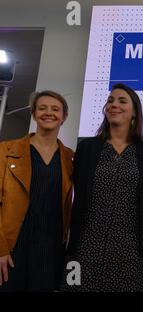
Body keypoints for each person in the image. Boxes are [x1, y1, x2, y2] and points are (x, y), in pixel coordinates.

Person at [61, 84, 143, 292]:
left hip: (131, 249)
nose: (114, 105)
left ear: (134, 113)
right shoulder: (87, 148)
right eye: (111, 100)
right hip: (84, 246)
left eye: (122, 101)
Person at [0, 91, 73, 291]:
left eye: (55, 109)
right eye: (42, 108)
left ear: (64, 117)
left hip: (51, 249)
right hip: (13, 248)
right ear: (34, 114)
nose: (48, 113)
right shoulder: (6, 151)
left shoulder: (70, 158)